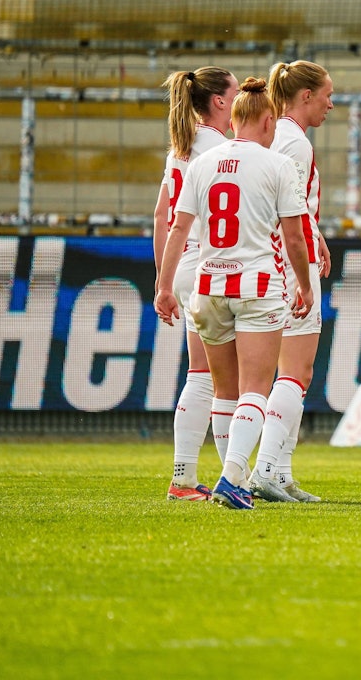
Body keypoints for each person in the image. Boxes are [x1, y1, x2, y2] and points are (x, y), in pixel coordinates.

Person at [155, 77, 314, 510]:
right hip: (256, 284)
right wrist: (303, 282)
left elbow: (176, 227)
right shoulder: (277, 164)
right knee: (254, 390)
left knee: (219, 389)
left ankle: (216, 478)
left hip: (205, 284)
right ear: (267, 121)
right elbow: (296, 239)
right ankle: (231, 479)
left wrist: (164, 285)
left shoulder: (199, 160)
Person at [247, 60, 334, 504]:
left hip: (265, 262)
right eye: (326, 96)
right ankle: (266, 469)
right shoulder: (294, 143)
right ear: (305, 97)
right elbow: (288, 211)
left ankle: (279, 473)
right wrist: (308, 249)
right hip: (286, 265)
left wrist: (313, 234)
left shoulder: (275, 136)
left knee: (283, 373)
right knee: (296, 373)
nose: (331, 105)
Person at [153, 66, 239, 502]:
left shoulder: (180, 149)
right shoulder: (224, 150)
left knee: (200, 373)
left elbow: (161, 217)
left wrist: (164, 283)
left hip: (187, 267)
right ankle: (231, 481)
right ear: (220, 101)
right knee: (227, 382)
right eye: (236, 92)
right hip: (216, 265)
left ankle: (184, 479)